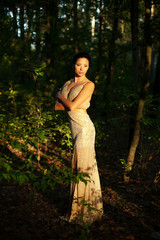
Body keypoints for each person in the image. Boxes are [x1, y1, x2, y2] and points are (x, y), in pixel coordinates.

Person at [55, 52, 103, 224]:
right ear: (73, 65)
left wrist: (61, 97)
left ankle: (81, 214)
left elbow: (71, 105)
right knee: (77, 168)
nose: (81, 68)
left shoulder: (89, 84)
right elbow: (58, 107)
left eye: (85, 65)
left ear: (88, 67)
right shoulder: (68, 83)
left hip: (84, 129)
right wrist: (66, 103)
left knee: (81, 167)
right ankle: (81, 209)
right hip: (75, 128)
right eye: (78, 64)